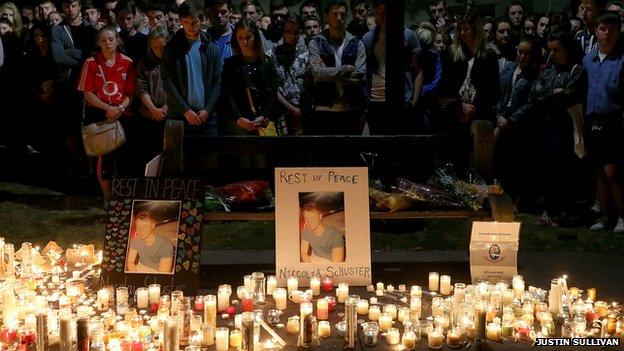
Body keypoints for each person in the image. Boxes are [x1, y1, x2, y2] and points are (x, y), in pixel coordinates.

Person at [532, 31, 588, 226]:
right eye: (550, 50)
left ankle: (563, 211)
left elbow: (570, 95)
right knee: (546, 168)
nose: (552, 54)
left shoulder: (576, 70)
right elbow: (536, 95)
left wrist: (553, 95)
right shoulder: (547, 71)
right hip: (547, 126)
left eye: (556, 49)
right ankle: (549, 209)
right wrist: (555, 94)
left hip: (567, 127)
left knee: (564, 169)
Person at [77, 25, 136, 203]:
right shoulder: (91, 63)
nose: (107, 43)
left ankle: (124, 197)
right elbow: (87, 93)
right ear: (98, 43)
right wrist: (107, 109)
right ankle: (108, 198)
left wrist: (119, 109)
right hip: (99, 115)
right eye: (103, 40)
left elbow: (131, 94)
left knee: (124, 159)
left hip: (122, 114)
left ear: (117, 41)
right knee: (105, 159)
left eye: (111, 39)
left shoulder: (128, 62)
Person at [583, 11, 624, 232]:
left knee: (612, 172)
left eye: (610, 29)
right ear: (596, 31)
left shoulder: (621, 59)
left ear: (618, 31)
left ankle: (621, 217)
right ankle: (606, 216)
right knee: (597, 170)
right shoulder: (588, 60)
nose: (606, 33)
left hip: (614, 120)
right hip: (592, 119)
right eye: (602, 28)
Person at [162, 0, 221, 138]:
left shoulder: (211, 48)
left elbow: (217, 82)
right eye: (186, 22)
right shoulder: (172, 48)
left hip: (207, 117)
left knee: (209, 158)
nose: (191, 26)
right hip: (180, 117)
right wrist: (185, 110)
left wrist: (208, 110)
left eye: (194, 21)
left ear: (201, 20)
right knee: (182, 159)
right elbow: (167, 82)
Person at [493, 37, 541, 210]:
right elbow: (499, 93)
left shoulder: (534, 75)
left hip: (520, 124)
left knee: (518, 163)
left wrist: (511, 120)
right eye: (520, 51)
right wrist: (499, 114)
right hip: (503, 118)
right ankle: (503, 195)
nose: (522, 56)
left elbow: (531, 103)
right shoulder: (508, 68)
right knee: (502, 160)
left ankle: (518, 200)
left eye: (526, 53)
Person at [51, 0, 96, 178]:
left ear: (79, 6)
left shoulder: (90, 30)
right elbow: (58, 57)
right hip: (67, 85)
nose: (70, 10)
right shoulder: (57, 29)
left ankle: (91, 168)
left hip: (88, 84)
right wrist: (80, 57)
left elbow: (91, 56)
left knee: (88, 126)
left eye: (74, 5)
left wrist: (71, 52)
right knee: (69, 127)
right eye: (67, 6)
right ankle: (75, 166)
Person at [362, 0, 421, 134]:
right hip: (376, 99)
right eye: (378, 13)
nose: (382, 17)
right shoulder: (368, 39)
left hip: (402, 99)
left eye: (385, 13)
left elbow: (419, 70)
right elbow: (364, 71)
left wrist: (414, 100)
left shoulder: (408, 35)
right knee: (380, 147)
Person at [308, 0, 366, 135]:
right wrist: (344, 69)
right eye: (335, 14)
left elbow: (360, 75)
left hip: (351, 107)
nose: (339, 18)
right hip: (325, 107)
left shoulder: (357, 43)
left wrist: (329, 75)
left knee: (351, 152)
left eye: (342, 14)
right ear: (327, 16)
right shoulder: (316, 43)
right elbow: (317, 73)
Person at [220, 18, 278, 135]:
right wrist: (238, 118)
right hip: (240, 122)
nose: (244, 42)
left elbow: (273, 92)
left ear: (255, 37)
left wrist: (265, 116)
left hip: (263, 121)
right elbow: (227, 94)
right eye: (240, 38)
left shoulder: (266, 61)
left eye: (248, 37)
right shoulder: (231, 64)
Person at [443, 12, 499, 128]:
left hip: (480, 111)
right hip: (456, 108)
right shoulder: (452, 53)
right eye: (460, 29)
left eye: (467, 29)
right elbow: (447, 85)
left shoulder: (489, 55)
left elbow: (492, 89)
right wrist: (460, 106)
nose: (462, 33)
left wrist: (473, 109)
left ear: (476, 30)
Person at [137, 26, 169, 167]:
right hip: (149, 115)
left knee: (169, 153)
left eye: (162, 47)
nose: (159, 51)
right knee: (151, 155)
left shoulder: (175, 61)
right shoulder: (145, 63)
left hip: (170, 114)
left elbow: (180, 87)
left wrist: (167, 107)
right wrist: (153, 110)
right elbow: (142, 89)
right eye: (155, 47)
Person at [275, 17, 311, 135]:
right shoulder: (271, 56)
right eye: (288, 32)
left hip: (303, 112)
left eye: (295, 33)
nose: (292, 36)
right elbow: (272, 88)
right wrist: (293, 109)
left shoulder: (305, 56)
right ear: (283, 33)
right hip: (281, 112)